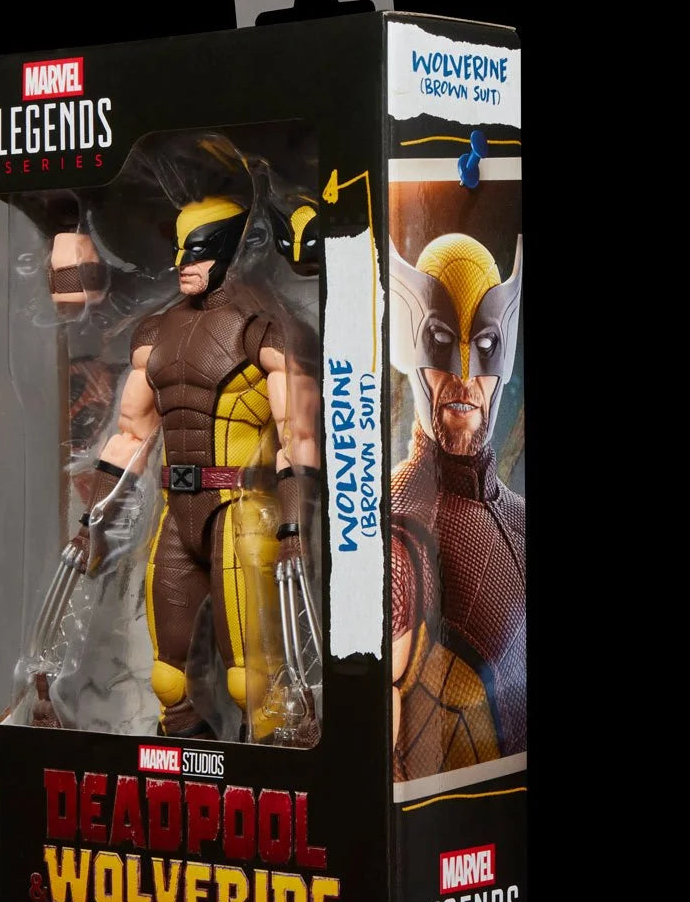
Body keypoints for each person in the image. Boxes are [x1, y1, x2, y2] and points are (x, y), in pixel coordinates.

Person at [41, 196, 321, 744]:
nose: (180, 263)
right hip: (175, 512)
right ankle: (186, 761)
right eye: (178, 249)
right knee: (168, 680)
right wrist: (93, 520)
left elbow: (299, 437)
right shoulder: (155, 333)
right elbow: (131, 436)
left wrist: (292, 528)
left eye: (197, 250)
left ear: (230, 249)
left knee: (249, 680)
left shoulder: (262, 330)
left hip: (240, 513)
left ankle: (272, 755)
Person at [388, 232, 524, 782]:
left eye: (485, 345)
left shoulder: (520, 519)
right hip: (441, 814)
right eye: (441, 341)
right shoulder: (398, 527)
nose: (464, 376)